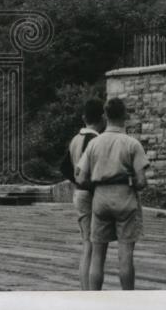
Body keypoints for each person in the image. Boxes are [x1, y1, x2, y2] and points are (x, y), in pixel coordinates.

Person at [74, 97, 150, 291]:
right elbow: (142, 182)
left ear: (105, 116)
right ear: (124, 115)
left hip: (100, 199)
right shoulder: (132, 144)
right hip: (125, 198)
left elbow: (81, 180)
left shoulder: (94, 144)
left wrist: (100, 181)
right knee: (125, 256)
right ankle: (127, 300)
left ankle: (95, 300)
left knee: (97, 256)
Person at [68, 98, 105, 291]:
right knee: (94, 245)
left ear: (84, 117)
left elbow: (64, 166)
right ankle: (92, 291)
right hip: (90, 194)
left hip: (78, 194)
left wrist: (76, 180)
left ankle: (84, 288)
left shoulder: (75, 139)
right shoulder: (95, 140)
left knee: (86, 245)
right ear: (102, 118)